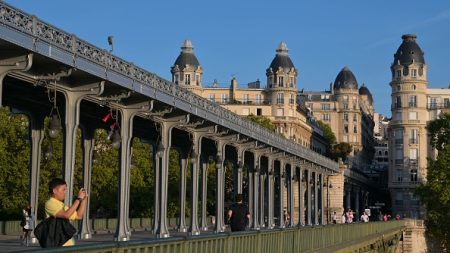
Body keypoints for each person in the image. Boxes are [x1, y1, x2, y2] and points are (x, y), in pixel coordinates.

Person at [45, 178, 88, 246]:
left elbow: (79, 216)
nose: (65, 192)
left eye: (66, 190)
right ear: (54, 191)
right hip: (58, 245)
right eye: (63, 189)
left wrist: (83, 200)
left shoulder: (62, 205)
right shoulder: (50, 203)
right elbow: (66, 215)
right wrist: (78, 199)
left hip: (68, 244)